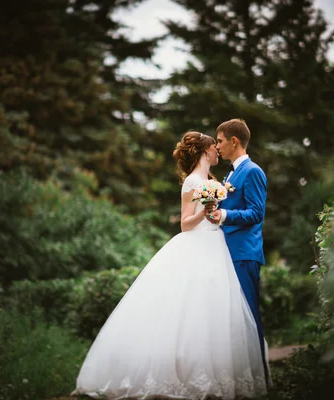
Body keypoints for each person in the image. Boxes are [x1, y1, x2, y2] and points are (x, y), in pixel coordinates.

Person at [72, 131, 267, 400]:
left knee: (216, 311)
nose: (216, 150)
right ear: (204, 151)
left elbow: (240, 211)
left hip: (219, 247)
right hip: (199, 245)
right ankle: (185, 371)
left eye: (218, 144)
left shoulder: (217, 180)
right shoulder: (191, 182)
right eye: (213, 146)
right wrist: (206, 211)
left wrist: (216, 210)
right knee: (191, 310)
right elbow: (185, 224)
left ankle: (222, 371)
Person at [206, 119, 270, 387]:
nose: (217, 146)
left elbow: (257, 213)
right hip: (228, 252)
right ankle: (242, 380)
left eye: (219, 140)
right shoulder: (230, 175)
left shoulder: (252, 171)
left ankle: (261, 381)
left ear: (234, 141)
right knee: (234, 318)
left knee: (249, 317)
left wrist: (224, 215)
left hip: (244, 253)